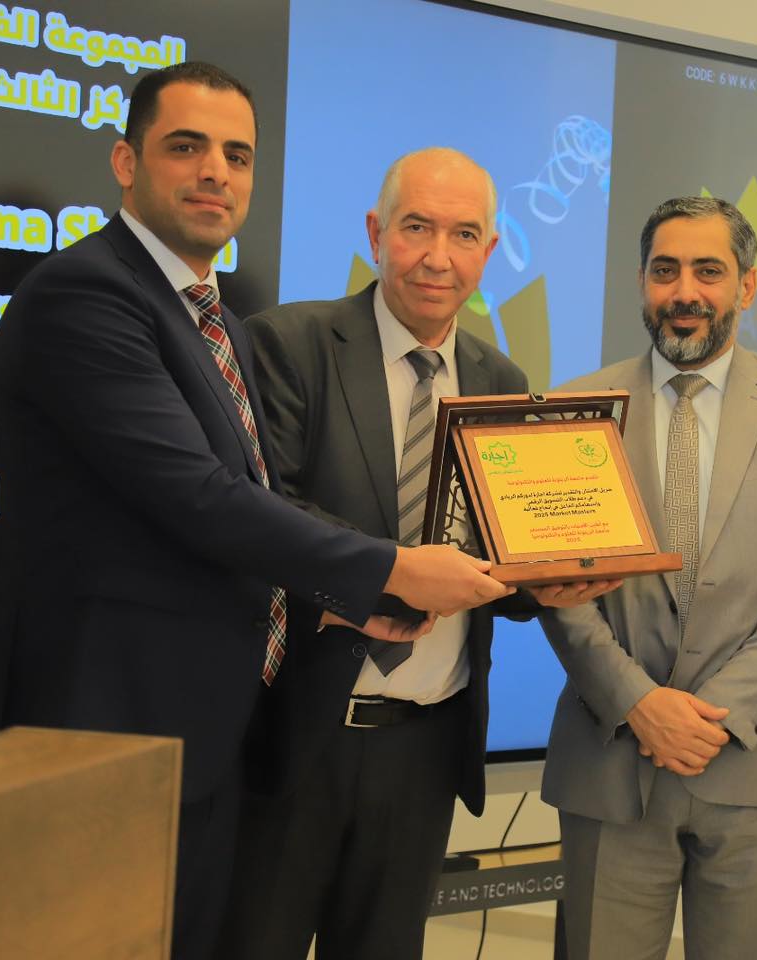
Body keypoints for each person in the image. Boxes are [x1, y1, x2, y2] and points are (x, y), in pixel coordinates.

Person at [0, 66, 508, 960]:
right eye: (186, 147)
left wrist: (336, 605)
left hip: (203, 737)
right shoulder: (87, 295)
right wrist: (389, 569)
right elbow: (201, 498)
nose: (215, 171)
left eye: (237, 155)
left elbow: (237, 515)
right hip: (106, 731)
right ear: (126, 162)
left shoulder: (207, 315)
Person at [222, 146, 616, 960]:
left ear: (489, 251)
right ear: (376, 234)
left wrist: (547, 584)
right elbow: (264, 512)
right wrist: (391, 578)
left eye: (463, 235)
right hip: (298, 735)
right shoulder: (289, 343)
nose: (439, 256)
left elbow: (495, 554)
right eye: (416, 228)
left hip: (427, 747)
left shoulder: (499, 378)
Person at [538, 196, 757, 960]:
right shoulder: (576, 406)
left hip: (753, 760)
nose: (685, 291)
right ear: (641, 282)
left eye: (708, 271)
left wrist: (717, 713)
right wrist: (639, 702)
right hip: (612, 756)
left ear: (746, 285)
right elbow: (555, 584)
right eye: (665, 270)